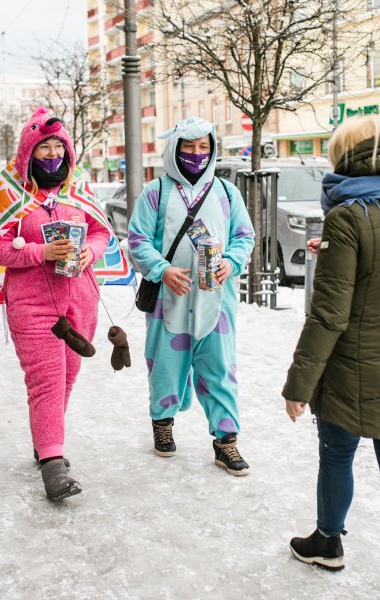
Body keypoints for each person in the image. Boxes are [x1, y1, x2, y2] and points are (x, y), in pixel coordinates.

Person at [282, 116, 380, 599]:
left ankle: (328, 541)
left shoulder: (346, 217)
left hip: (352, 366)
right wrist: (329, 251)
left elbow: (329, 315)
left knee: (337, 453)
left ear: (344, 159)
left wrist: (298, 385)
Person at [0, 106, 111, 501]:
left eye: (58, 147)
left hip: (80, 299)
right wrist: (41, 252)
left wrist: (90, 252)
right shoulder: (10, 189)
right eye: (43, 148)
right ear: (28, 152)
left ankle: (45, 439)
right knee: (46, 381)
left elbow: (101, 231)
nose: (52, 155)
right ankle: (54, 466)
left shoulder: (79, 185)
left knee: (68, 377)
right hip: (32, 302)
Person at [128, 116, 255, 476]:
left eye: (204, 147)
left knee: (220, 370)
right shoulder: (157, 192)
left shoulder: (227, 193)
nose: (196, 154)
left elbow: (244, 236)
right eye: (189, 146)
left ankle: (226, 441)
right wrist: (162, 270)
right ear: (175, 149)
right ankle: (162, 420)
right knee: (165, 365)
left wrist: (232, 261)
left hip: (217, 300)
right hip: (170, 298)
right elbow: (137, 239)